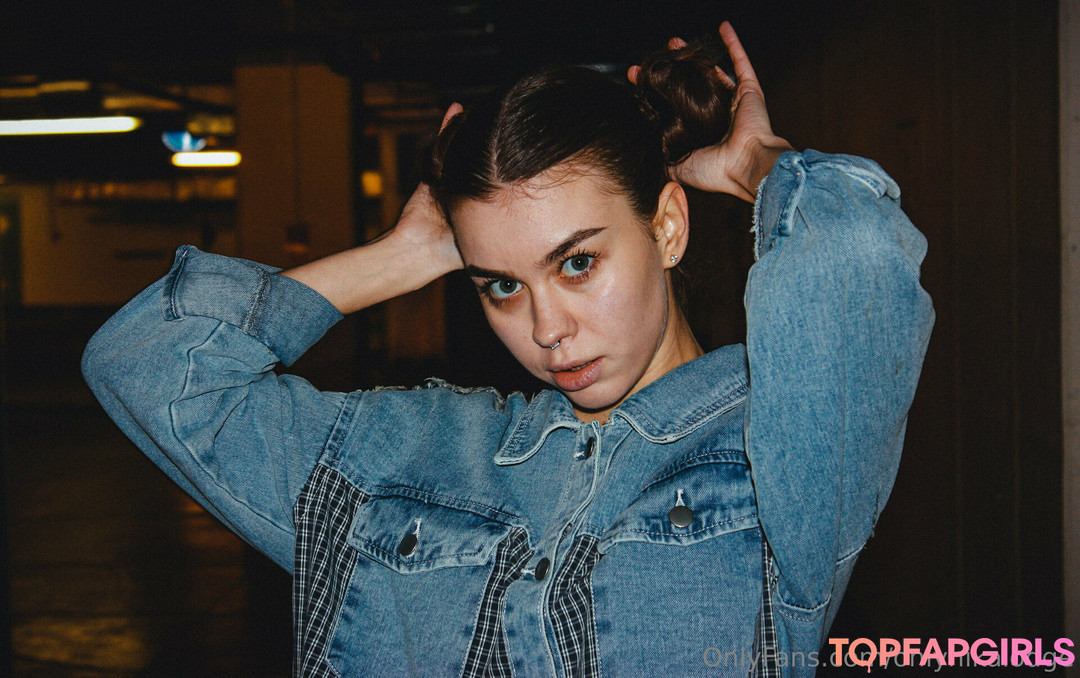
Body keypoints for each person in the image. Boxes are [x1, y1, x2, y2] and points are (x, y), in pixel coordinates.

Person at [83, 23, 933, 677]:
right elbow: (145, 364)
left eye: (577, 263)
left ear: (668, 227)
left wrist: (759, 164)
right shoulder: (409, 453)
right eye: (500, 284)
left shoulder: (775, 453)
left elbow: (857, 252)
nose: (547, 328)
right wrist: (403, 257)